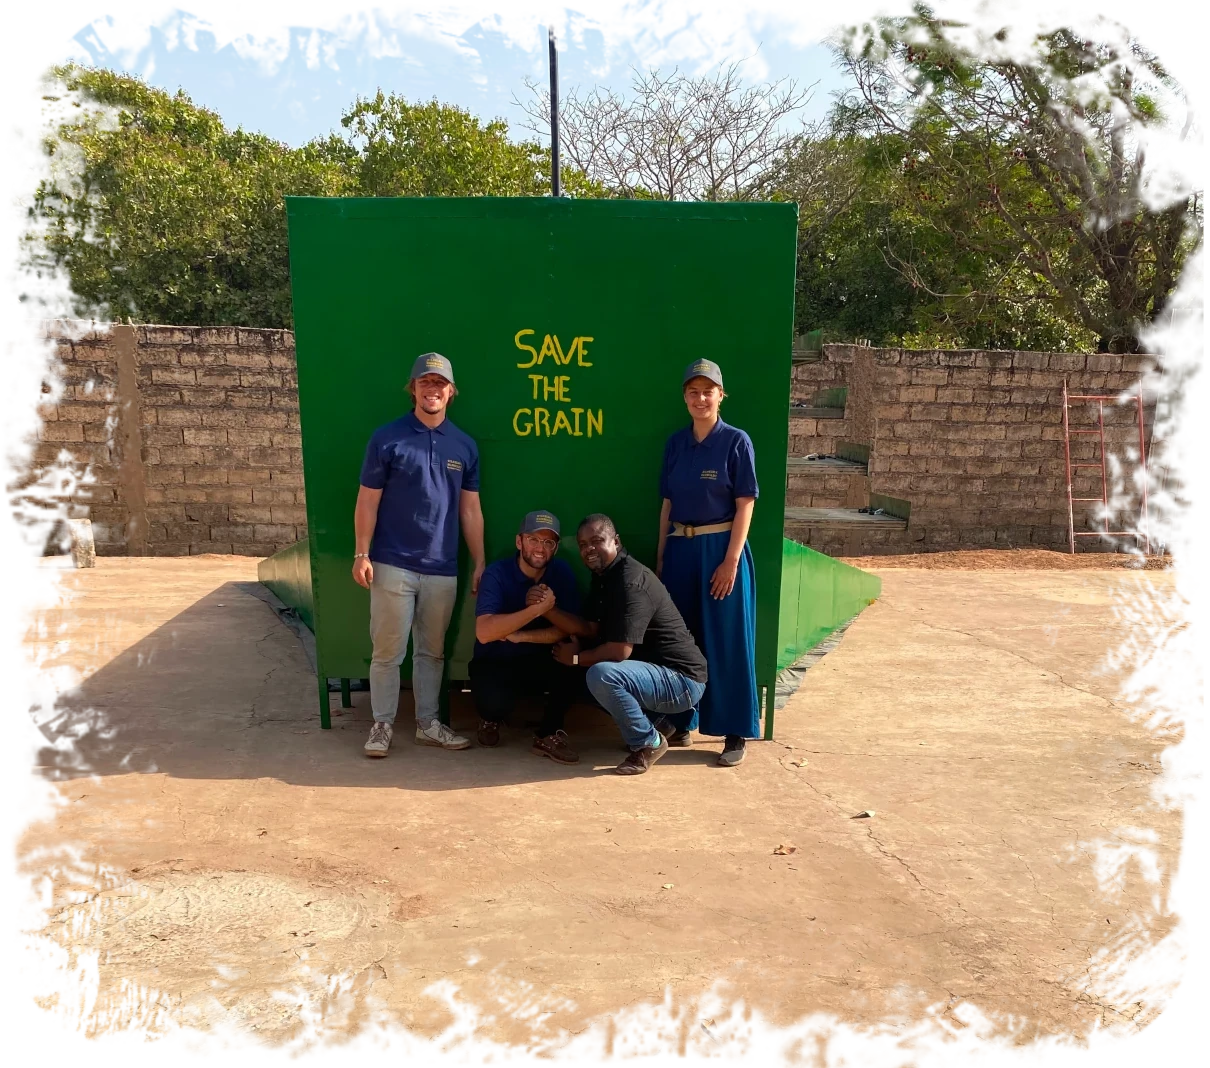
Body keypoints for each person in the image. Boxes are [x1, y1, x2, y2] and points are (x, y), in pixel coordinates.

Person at [352, 352, 486, 758]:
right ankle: (381, 726)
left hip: (443, 568)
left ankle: (429, 724)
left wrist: (478, 561)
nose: (433, 390)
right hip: (392, 563)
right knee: (388, 652)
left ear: (451, 391)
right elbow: (367, 501)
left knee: (433, 652)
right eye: (425, 382)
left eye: (440, 383)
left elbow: (470, 509)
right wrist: (362, 553)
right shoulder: (387, 438)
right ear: (413, 388)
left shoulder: (464, 445)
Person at [655, 358, 759, 767]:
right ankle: (681, 721)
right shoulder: (676, 444)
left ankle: (735, 732)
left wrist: (731, 561)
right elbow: (666, 504)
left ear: (721, 395)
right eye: (693, 391)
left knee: (726, 640)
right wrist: (662, 558)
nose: (700, 398)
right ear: (685, 397)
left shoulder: (736, 442)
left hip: (720, 551)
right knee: (682, 641)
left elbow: (745, 503)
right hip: (681, 549)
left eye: (708, 391)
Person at [551, 514, 708, 776]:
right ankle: (661, 724)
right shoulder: (604, 577)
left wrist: (577, 658)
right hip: (651, 673)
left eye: (596, 541)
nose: (588, 549)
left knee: (601, 674)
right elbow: (590, 628)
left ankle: (649, 742)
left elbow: (619, 651)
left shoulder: (631, 581)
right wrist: (545, 610)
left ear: (616, 541)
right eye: (582, 544)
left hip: (682, 681)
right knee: (578, 675)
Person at [469, 510, 582, 765]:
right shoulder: (497, 573)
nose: (540, 548)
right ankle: (490, 718)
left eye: (548, 542)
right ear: (519, 542)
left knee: (573, 656)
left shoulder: (561, 572)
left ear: (555, 548)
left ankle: (549, 734)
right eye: (534, 540)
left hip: (539, 658)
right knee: (492, 704)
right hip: (496, 660)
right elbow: (485, 632)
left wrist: (521, 636)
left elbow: (571, 629)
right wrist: (536, 610)